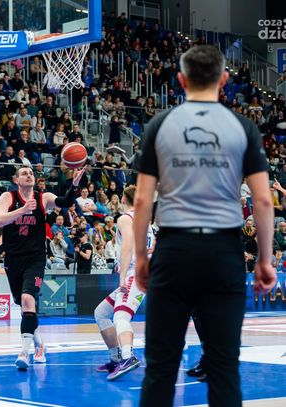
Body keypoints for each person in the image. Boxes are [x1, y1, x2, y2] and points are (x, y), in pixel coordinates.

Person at [133, 45, 276, 407]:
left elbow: (142, 201)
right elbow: (262, 201)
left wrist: (141, 258)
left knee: (160, 369)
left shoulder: (159, 125)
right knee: (224, 368)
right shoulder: (243, 127)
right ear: (224, 80)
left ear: (181, 81)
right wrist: (264, 259)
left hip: (174, 250)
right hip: (223, 252)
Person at [0, 165, 85, 369]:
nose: (29, 175)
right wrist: (23, 210)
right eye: (24, 173)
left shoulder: (43, 198)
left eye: (31, 173)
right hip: (13, 259)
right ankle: (39, 344)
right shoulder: (8, 197)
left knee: (28, 299)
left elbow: (65, 202)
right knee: (24, 305)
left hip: (35, 259)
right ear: (16, 180)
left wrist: (74, 184)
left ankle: (24, 352)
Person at [94, 186, 154, 380]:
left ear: (122, 199)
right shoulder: (145, 220)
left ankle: (128, 357)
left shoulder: (125, 218)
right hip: (143, 271)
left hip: (134, 273)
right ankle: (116, 358)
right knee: (101, 313)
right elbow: (152, 245)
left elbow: (127, 246)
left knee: (121, 316)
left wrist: (121, 278)